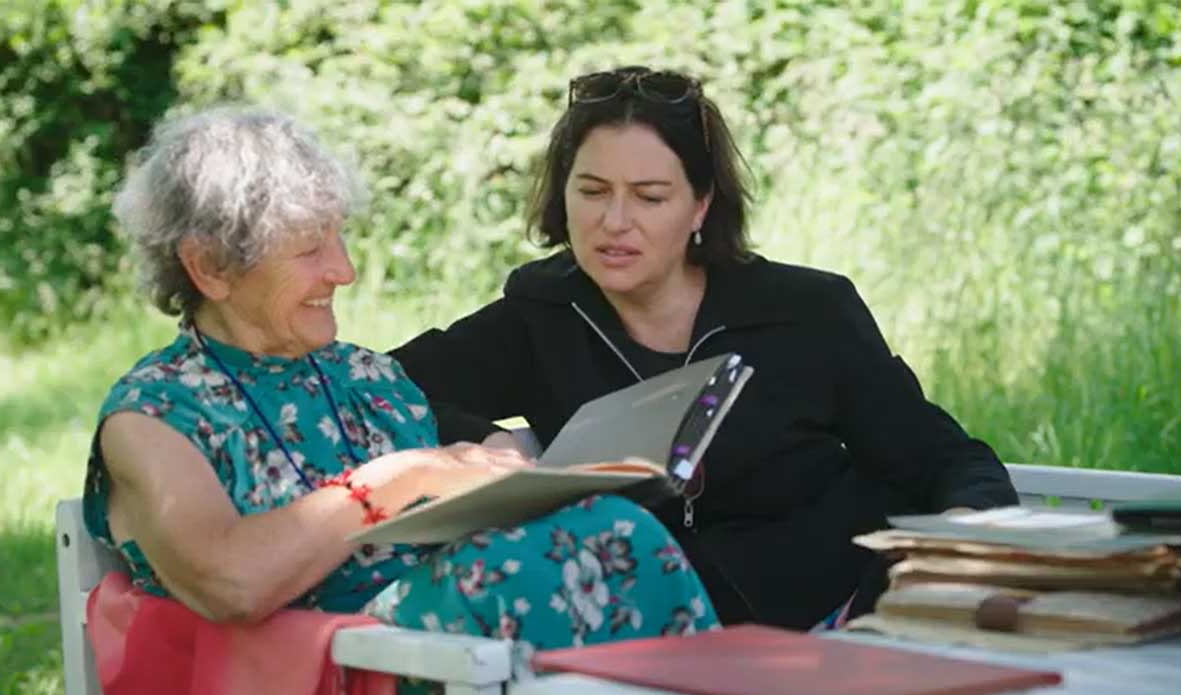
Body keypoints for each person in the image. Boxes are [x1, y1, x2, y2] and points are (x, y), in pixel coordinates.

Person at [85, 107, 718, 695]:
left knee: (613, 526)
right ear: (210, 267)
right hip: (328, 676)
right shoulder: (154, 415)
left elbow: (454, 500)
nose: (345, 270)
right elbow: (230, 584)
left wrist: (517, 469)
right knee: (542, 569)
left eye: (339, 238)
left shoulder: (367, 377)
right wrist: (400, 479)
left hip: (452, 656)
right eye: (310, 249)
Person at [392, 67, 1019, 631]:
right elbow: (382, 389)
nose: (614, 221)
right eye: (591, 191)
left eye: (649, 196)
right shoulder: (542, 314)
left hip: (843, 617)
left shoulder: (805, 312)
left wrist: (960, 551)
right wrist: (486, 443)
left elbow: (944, 457)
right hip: (653, 636)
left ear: (701, 204)